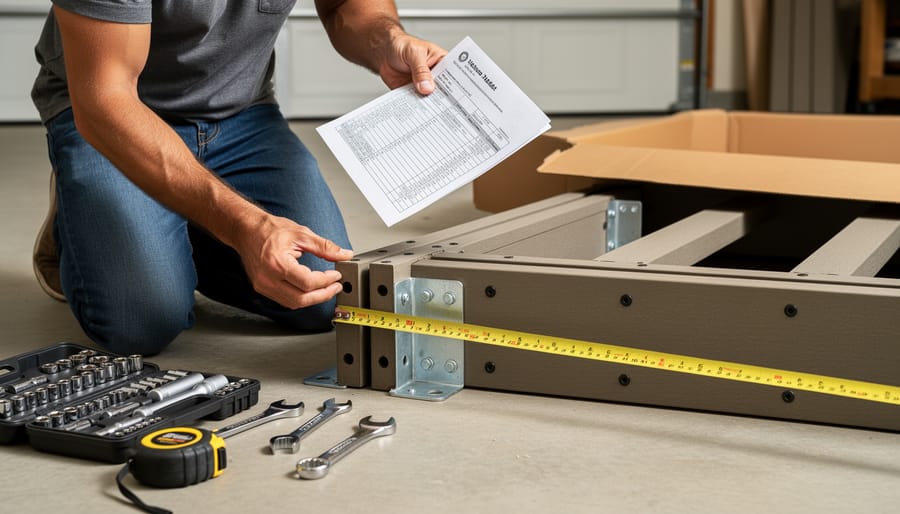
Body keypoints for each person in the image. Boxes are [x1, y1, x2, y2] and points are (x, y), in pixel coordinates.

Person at [30, 1, 447, 356]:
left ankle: (175, 225)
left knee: (320, 295)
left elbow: (346, 6)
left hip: (239, 114)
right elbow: (107, 98)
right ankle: (79, 218)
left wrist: (388, 39)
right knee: (142, 321)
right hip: (116, 118)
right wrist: (246, 226)